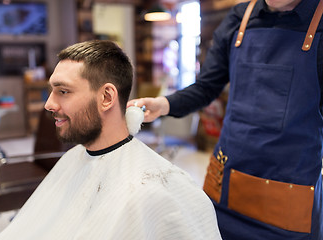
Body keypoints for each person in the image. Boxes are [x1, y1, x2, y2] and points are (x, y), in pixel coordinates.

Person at [128, 0, 323, 239]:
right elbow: (207, 86)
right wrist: (165, 104)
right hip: (227, 183)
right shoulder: (240, 17)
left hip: (290, 194)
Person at [0, 40, 222, 240]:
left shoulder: (157, 191)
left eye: (63, 91)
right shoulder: (74, 158)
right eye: (51, 91)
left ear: (106, 97)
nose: (49, 104)